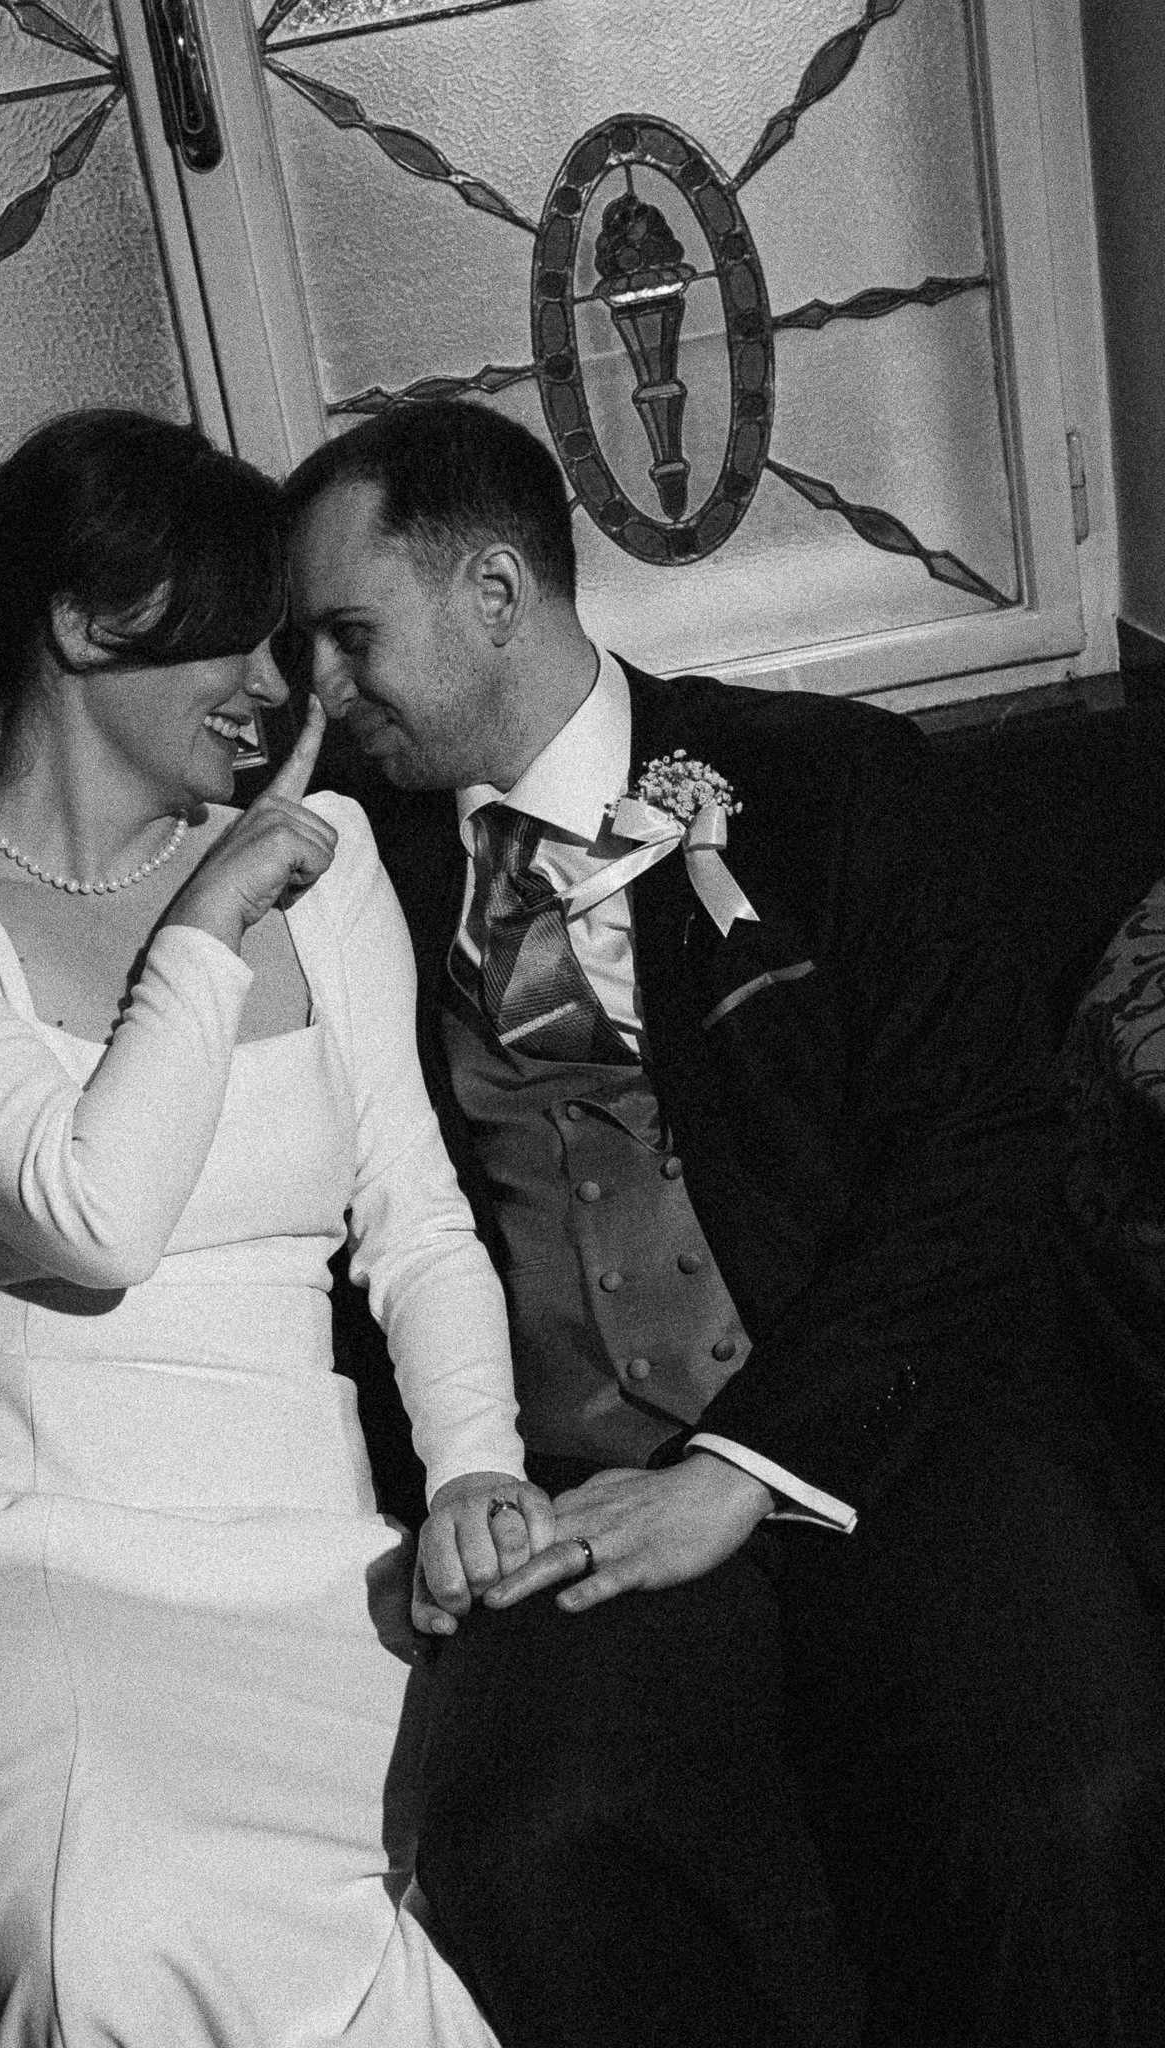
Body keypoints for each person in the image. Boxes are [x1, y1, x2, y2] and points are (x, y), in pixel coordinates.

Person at [269, 401, 1165, 2048]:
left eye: (345, 637)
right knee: (511, 1848)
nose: (316, 696)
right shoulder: (340, 880)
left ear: (491, 593)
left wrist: (737, 1477)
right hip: (575, 1495)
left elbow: (982, 1151)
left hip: (906, 1436)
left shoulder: (828, 788)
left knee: (1075, 1798)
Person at [0, 407, 555, 2047]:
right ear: (79, 625)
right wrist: (201, 928)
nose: (286, 690)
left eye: (292, 639)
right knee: (94, 1928)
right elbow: (93, 1214)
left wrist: (477, 1461)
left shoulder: (320, 861)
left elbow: (412, 1214)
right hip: (31, 1550)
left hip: (314, 1561)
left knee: (458, 1914)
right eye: (236, 638)